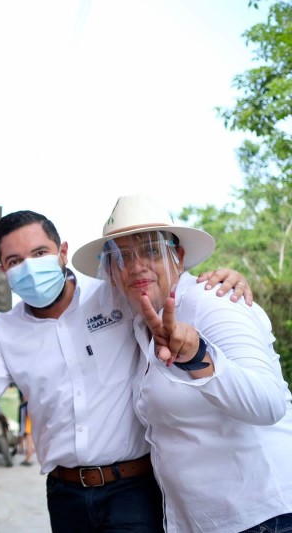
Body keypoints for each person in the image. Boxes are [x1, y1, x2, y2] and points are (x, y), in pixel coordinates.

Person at [0, 209, 252, 532]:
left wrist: (224, 279)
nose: (30, 267)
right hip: (64, 496)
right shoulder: (3, 332)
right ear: (2, 268)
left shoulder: (113, 294)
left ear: (62, 253)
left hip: (133, 490)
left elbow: (171, 289)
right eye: (15, 261)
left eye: (39, 253)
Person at [72, 194, 292, 533]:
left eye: (150, 250)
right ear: (111, 272)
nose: (136, 266)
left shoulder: (215, 301)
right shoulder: (138, 325)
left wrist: (197, 356)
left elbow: (270, 402)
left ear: (179, 255)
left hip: (262, 516)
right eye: (120, 257)